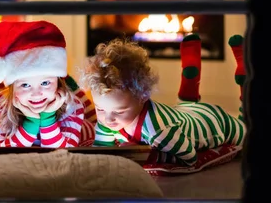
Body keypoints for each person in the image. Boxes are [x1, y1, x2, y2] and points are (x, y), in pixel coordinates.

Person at [77, 33, 246, 166]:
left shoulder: (157, 129)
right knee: (185, 105)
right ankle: (190, 73)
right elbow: (101, 153)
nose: (108, 119)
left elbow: (189, 156)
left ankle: (246, 73)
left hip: (214, 121)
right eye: (99, 109)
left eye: (119, 111)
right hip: (184, 110)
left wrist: (143, 153)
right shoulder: (108, 119)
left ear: (142, 97)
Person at [0, 20, 95, 148]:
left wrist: (48, 119)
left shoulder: (73, 106)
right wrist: (31, 123)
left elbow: (64, 154)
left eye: (45, 83)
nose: (36, 94)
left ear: (59, 81)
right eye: (25, 85)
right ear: (12, 86)